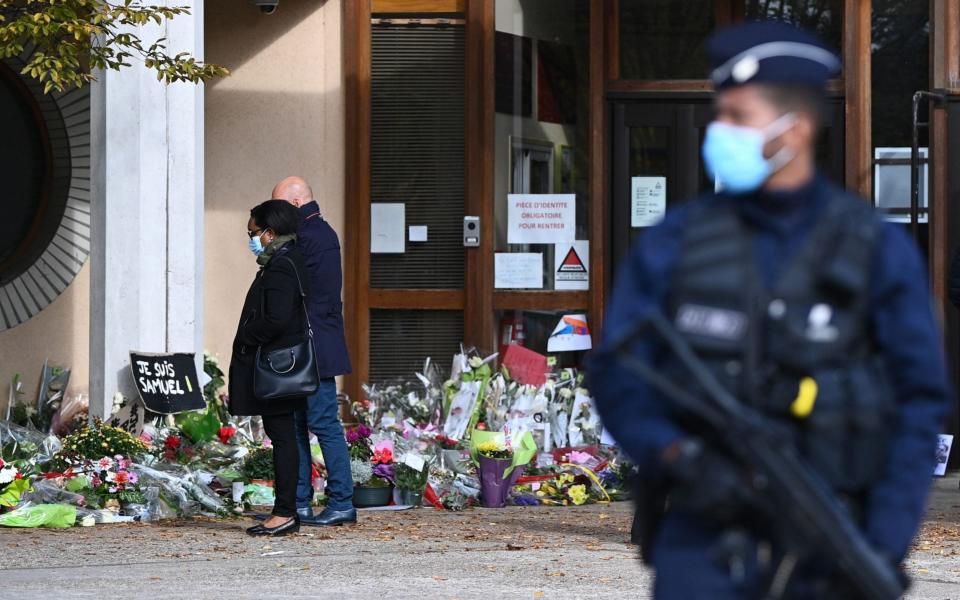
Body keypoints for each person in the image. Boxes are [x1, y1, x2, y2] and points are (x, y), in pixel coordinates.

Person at [589, 21, 951, 598]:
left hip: (832, 539)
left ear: (796, 128)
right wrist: (674, 451)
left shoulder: (873, 249)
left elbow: (918, 401)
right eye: (721, 114)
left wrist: (881, 540)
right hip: (702, 541)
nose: (720, 130)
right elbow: (617, 369)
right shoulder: (678, 241)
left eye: (738, 117)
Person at [270, 176, 356, 526]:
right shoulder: (317, 233)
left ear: (294, 204)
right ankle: (300, 501)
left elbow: (299, 293)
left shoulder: (309, 237)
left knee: (321, 423)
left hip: (311, 347)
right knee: (298, 425)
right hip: (312, 344)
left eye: (277, 208)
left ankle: (340, 501)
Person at [229, 199, 310, 537]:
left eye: (253, 233)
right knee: (284, 436)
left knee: (282, 438)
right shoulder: (285, 260)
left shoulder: (280, 265)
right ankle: (286, 510)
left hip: (275, 368)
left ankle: (285, 512)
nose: (251, 239)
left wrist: (246, 335)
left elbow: (276, 319)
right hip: (280, 366)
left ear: (270, 232)